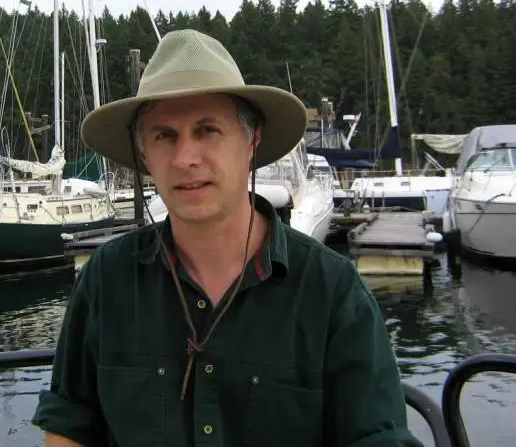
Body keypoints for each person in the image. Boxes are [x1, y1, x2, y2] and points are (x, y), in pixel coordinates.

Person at [32, 29, 423, 446]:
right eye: (165, 136)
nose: (185, 159)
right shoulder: (105, 279)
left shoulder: (332, 293)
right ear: (144, 154)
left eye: (207, 130)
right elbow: (70, 424)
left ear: (251, 141)